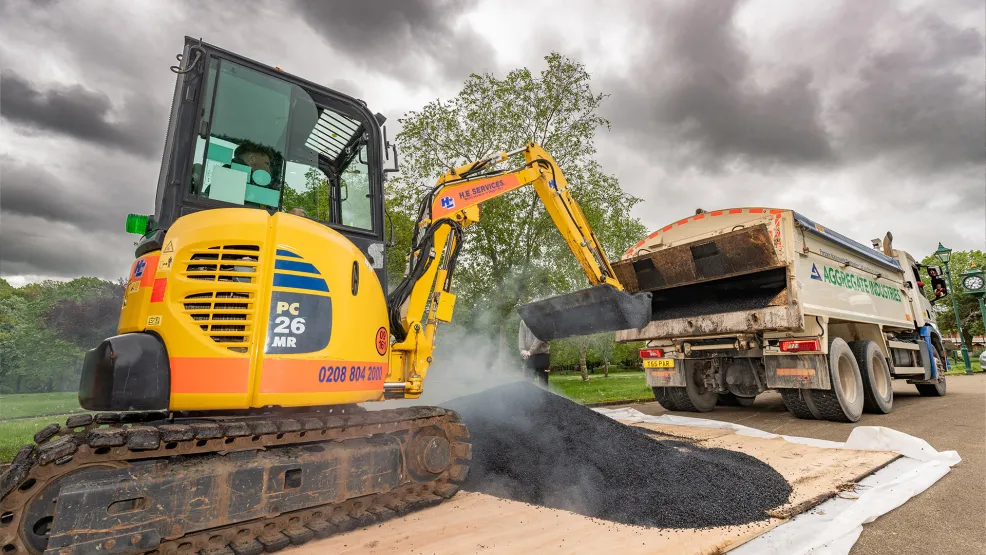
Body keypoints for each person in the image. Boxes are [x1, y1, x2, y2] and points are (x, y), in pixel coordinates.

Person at [518, 319, 550, 385]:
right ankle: (530, 395)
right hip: (529, 356)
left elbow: (540, 337)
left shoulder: (542, 318)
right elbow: (521, 336)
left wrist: (530, 352)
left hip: (542, 355)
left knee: (543, 383)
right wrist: (522, 350)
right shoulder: (523, 321)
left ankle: (544, 395)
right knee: (528, 382)